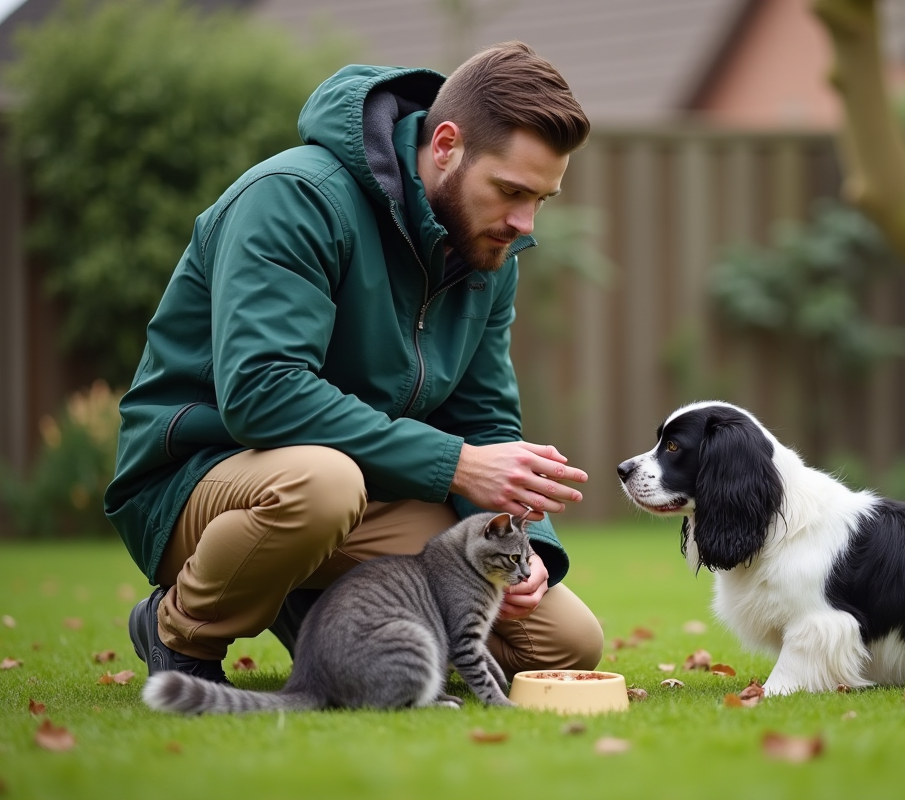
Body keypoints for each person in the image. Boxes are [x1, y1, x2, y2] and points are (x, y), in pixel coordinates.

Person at [105, 41, 603, 685]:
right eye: (510, 191)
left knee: (563, 644)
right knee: (321, 485)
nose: (523, 222)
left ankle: (312, 604)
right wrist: (453, 464)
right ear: (446, 145)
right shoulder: (295, 197)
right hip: (200, 481)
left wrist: (526, 545)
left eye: (541, 199)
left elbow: (483, 420)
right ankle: (179, 632)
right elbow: (263, 393)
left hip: (366, 490)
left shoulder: (485, 252)